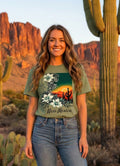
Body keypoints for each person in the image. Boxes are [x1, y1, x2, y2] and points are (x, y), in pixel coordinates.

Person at [24, 24, 91, 166]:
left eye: (61, 40)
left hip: (69, 131)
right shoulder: (36, 71)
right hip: (42, 131)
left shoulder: (76, 69)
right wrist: (28, 140)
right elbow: (32, 107)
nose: (56, 44)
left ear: (66, 43)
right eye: (52, 40)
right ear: (46, 43)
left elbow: (82, 105)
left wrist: (83, 136)